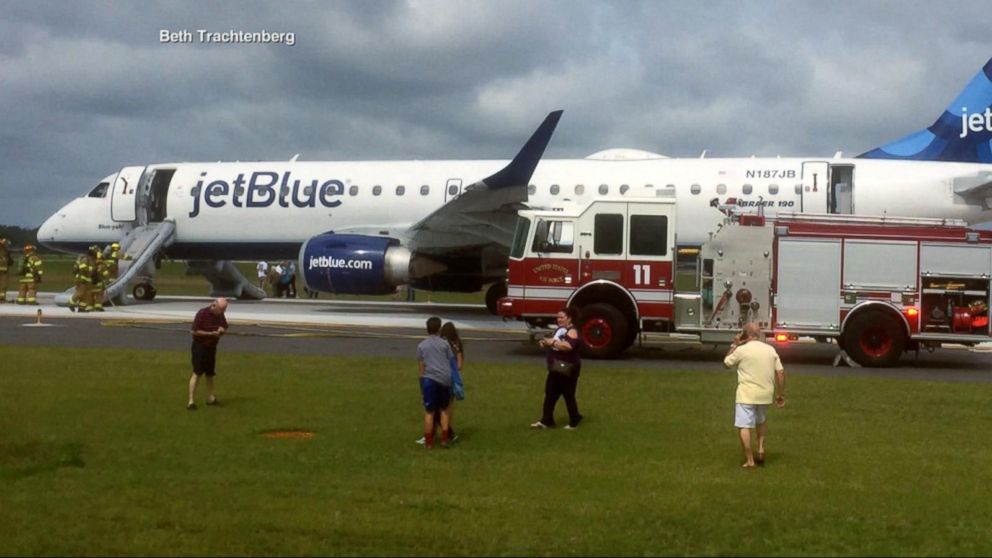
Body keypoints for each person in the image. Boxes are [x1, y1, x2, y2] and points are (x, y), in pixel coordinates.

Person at [723, 321, 787, 468]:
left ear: (746, 334)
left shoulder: (741, 350)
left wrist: (734, 344)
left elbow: (726, 363)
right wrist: (780, 394)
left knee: (744, 425)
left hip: (746, 394)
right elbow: (780, 372)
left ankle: (750, 460)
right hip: (765, 394)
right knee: (761, 421)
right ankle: (760, 448)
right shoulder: (770, 349)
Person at [531, 306, 583, 430]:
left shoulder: (572, 331)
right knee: (550, 393)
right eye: (558, 317)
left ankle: (574, 420)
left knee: (568, 394)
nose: (559, 319)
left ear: (569, 318)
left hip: (567, 368)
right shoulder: (561, 330)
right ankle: (546, 420)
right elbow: (555, 342)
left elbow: (568, 346)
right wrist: (546, 342)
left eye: (562, 317)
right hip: (556, 367)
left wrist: (552, 343)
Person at [418, 322, 464, 445]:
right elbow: (454, 363)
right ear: (438, 329)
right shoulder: (447, 345)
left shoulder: (422, 345)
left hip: (429, 379)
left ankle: (428, 441)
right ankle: (445, 438)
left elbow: (421, 367)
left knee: (429, 412)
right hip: (445, 379)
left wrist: (421, 382)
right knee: (445, 410)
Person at [187, 297, 229, 410]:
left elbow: (224, 326)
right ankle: (191, 401)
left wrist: (221, 330)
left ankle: (211, 398)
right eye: (221, 310)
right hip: (200, 346)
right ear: (214, 306)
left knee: (210, 374)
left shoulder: (220, 315)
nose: (222, 313)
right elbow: (194, 331)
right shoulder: (202, 313)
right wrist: (210, 334)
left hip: (212, 347)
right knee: (197, 373)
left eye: (223, 311)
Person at [69, 247, 95, 312]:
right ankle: (71, 303)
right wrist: (84, 277)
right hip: (82, 279)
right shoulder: (85, 259)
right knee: (80, 292)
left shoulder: (91, 259)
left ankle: (82, 307)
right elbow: (83, 268)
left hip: (88, 280)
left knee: (87, 294)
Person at [0, 238, 12, 303]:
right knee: (3, 284)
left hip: (3, 268)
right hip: (3, 269)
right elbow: (8, 260)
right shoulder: (4, 250)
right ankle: (1, 298)